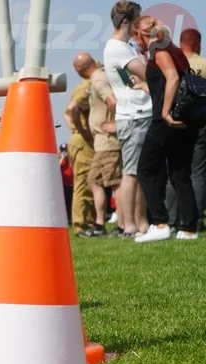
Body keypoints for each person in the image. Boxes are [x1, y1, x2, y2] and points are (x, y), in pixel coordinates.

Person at [132, 16, 201, 242]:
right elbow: (172, 80)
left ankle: (160, 223)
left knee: (144, 169)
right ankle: (189, 228)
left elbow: (171, 78)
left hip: (166, 120)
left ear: (139, 35)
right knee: (180, 173)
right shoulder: (173, 48)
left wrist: (164, 112)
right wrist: (145, 86)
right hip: (185, 120)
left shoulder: (157, 49)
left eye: (136, 39)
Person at [103, 1, 152, 238]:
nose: (140, 25)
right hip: (134, 115)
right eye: (137, 20)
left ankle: (140, 223)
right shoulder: (118, 48)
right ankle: (130, 225)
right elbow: (146, 74)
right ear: (126, 22)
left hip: (135, 114)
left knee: (137, 171)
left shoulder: (123, 46)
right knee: (132, 172)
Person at [85, 54, 121, 237]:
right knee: (94, 180)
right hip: (101, 143)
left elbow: (112, 100)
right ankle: (99, 224)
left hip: (108, 143)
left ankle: (123, 224)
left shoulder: (98, 80)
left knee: (115, 183)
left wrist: (117, 123)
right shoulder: (99, 78)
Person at [65, 52, 98, 235]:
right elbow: (71, 109)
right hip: (83, 141)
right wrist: (81, 130)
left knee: (89, 181)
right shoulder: (86, 87)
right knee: (83, 183)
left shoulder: (82, 86)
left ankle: (88, 222)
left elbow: (66, 112)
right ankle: (81, 225)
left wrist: (75, 129)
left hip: (81, 139)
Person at [183, 28, 206, 228]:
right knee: (198, 171)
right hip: (201, 123)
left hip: (177, 121)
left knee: (176, 170)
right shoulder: (204, 64)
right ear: (198, 43)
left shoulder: (173, 63)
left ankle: (176, 216)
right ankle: (197, 217)